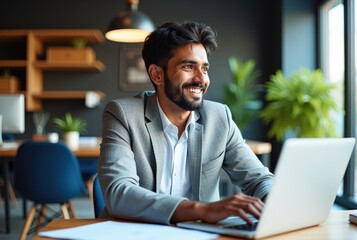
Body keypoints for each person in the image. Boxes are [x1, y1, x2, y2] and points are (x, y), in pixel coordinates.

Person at [98, 21, 273, 225]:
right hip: (136, 233)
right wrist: (202, 210)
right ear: (157, 74)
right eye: (189, 67)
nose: (201, 79)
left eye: (204, 69)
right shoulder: (123, 114)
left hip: (200, 235)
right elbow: (119, 193)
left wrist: (274, 201)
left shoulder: (219, 117)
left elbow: (258, 179)